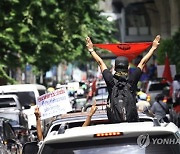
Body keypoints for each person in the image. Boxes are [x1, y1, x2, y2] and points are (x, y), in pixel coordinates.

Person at [86, 35, 160, 122]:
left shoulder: (110, 81)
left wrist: (91, 50)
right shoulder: (131, 80)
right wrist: (153, 48)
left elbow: (100, 63)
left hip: (114, 124)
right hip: (132, 123)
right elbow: (143, 62)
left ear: (114, 68)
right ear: (128, 67)